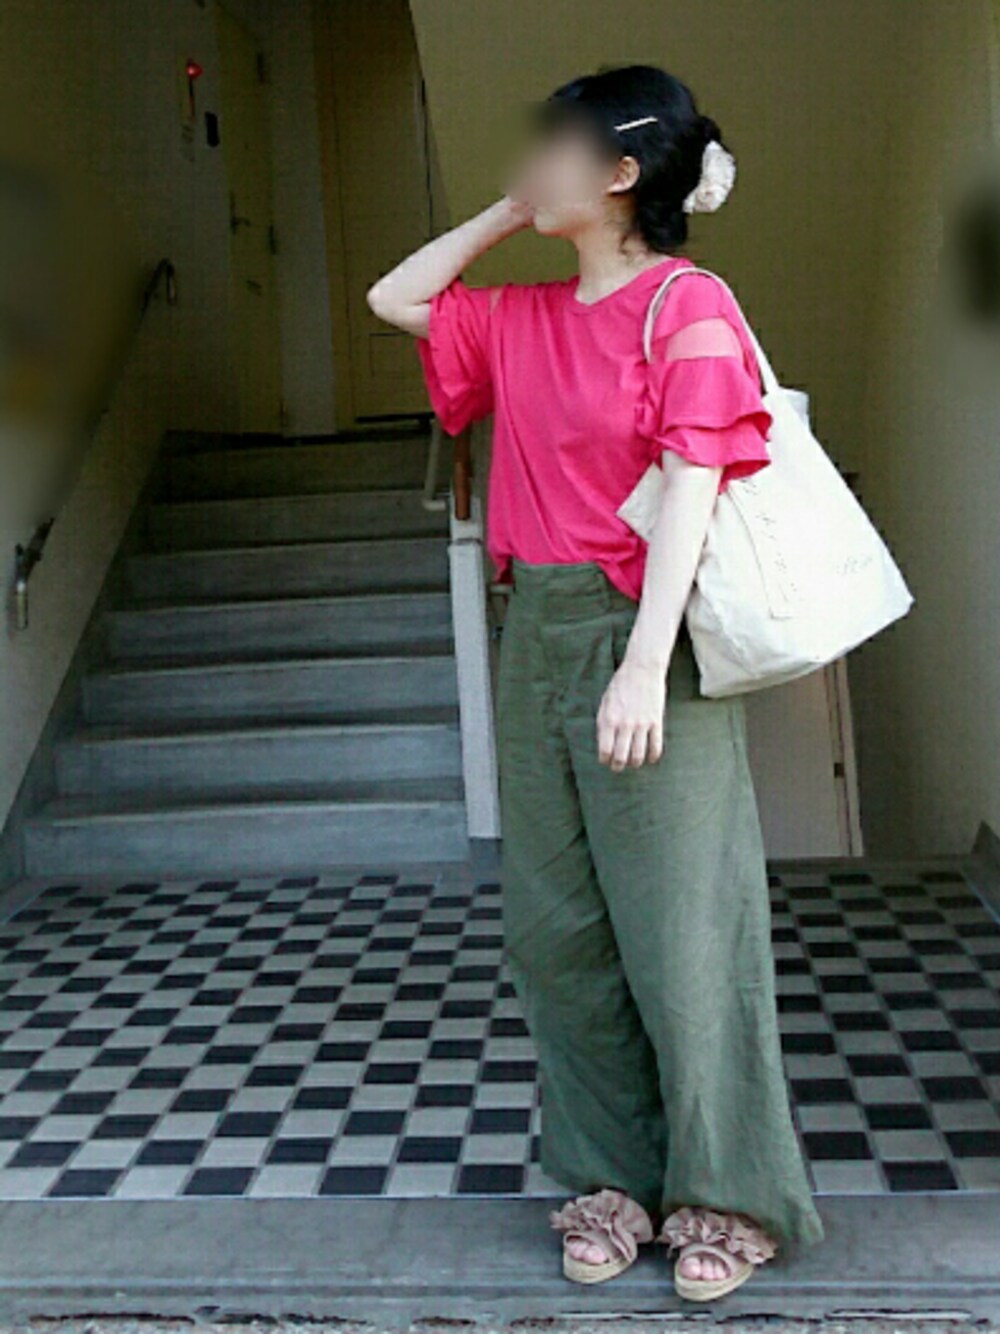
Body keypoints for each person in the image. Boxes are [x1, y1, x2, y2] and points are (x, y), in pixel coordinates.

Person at [367, 62, 826, 1303]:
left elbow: (694, 485)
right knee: (557, 929)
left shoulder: (687, 302)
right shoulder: (515, 316)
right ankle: (608, 1178)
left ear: (623, 173)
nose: (533, 158)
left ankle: (726, 1193)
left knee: (683, 928)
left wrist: (639, 667)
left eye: (558, 146)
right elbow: (394, 296)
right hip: (535, 628)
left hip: (644, 632)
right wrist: (510, 210)